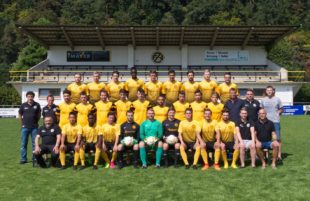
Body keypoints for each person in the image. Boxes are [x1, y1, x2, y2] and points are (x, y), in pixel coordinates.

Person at [261, 86, 283, 161]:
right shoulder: (263, 100)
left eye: (271, 90)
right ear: (266, 91)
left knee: (278, 138)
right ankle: (266, 155)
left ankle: (279, 155)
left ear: (273, 91)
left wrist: (278, 113)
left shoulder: (277, 99)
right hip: (266, 122)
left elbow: (281, 109)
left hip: (275, 121)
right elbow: (261, 109)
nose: (269, 91)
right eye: (268, 90)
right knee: (266, 138)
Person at [19, 91, 41, 164]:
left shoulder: (37, 105)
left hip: (34, 127)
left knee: (34, 144)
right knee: (23, 143)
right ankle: (23, 159)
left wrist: (36, 122)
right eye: (29, 96)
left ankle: (35, 158)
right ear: (27, 97)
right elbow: (19, 114)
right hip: (25, 128)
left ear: (33, 97)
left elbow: (39, 115)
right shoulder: (23, 105)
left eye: (31, 96)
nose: (30, 98)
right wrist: (22, 123)